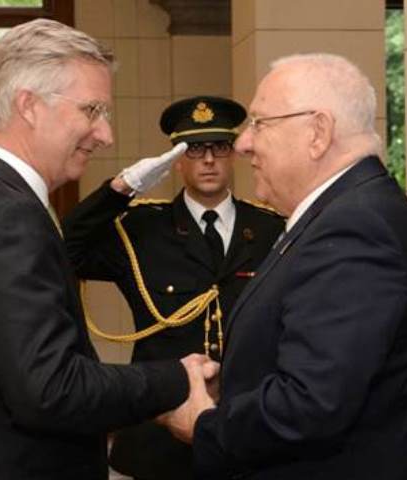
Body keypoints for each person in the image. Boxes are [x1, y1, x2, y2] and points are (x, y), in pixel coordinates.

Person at [0, 18, 217, 480]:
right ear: (29, 106)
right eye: (92, 110)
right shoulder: (10, 218)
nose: (106, 135)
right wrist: (176, 379)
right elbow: (50, 388)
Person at [160, 53, 407, 479]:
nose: (243, 143)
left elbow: (311, 404)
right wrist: (234, 384)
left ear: (318, 132)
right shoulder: (340, 213)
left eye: (260, 123)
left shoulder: (356, 227)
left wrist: (205, 423)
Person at [62, 96, 285, 479]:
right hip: (159, 437)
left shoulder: (270, 228)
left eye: (219, 146)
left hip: (246, 430)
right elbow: (66, 248)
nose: (209, 159)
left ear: (233, 153)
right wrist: (120, 189)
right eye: (195, 149)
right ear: (177, 159)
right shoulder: (142, 227)